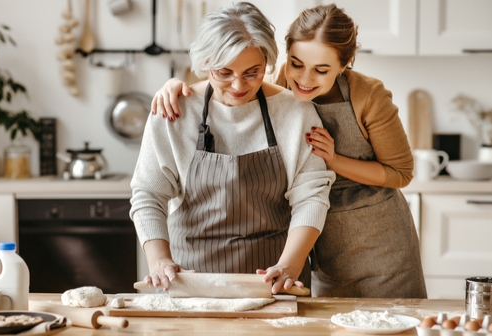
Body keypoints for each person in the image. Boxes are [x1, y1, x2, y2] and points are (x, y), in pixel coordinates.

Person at [150, 3, 427, 298]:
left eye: (321, 70)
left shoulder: (367, 97)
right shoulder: (279, 85)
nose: (305, 79)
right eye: (296, 63)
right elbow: (234, 79)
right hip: (318, 241)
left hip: (377, 241)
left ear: (345, 65)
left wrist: (333, 160)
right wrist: (177, 87)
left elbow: (401, 173)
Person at [130, 2, 335, 295]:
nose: (239, 85)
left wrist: (290, 264)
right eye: (224, 73)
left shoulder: (295, 112)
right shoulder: (175, 111)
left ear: (268, 62)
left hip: (275, 282)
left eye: (253, 72)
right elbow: (149, 193)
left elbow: (311, 195)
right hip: (191, 281)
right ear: (204, 64)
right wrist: (159, 260)